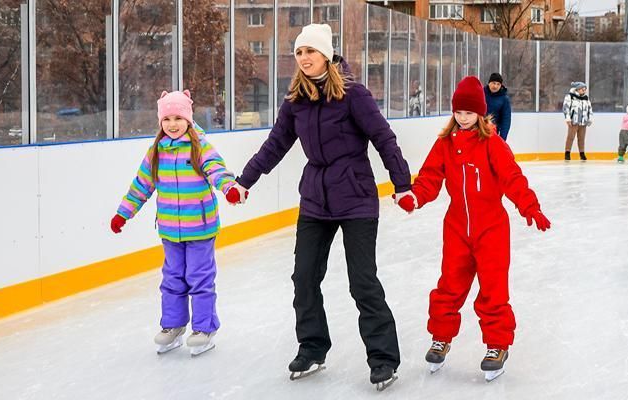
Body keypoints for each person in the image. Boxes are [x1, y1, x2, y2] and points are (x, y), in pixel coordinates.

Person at [224, 23, 410, 391]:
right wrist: (244, 181)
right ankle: (312, 348)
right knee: (304, 277)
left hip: (356, 198)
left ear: (326, 53)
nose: (304, 58)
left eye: (310, 51)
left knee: (363, 282)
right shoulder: (295, 102)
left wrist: (402, 185)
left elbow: (383, 137)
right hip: (315, 199)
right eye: (299, 52)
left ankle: (383, 359)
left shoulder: (354, 95)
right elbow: (275, 145)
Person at [394, 76, 551, 381]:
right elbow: (429, 178)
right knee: (449, 286)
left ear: (480, 113)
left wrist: (529, 205)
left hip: (491, 229)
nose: (462, 118)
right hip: (456, 229)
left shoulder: (493, 142)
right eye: (458, 112)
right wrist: (414, 197)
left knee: (492, 289)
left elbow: (512, 178)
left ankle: (497, 345)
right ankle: (440, 338)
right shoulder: (444, 144)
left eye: (468, 113)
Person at [110, 90, 239, 356]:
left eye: (178, 117)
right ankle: (173, 325)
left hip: (201, 228)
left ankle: (204, 328)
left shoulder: (200, 146)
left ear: (188, 119)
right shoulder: (156, 151)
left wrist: (229, 188)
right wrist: (124, 213)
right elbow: (141, 185)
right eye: (166, 118)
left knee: (199, 278)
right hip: (170, 230)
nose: (172, 124)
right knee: (172, 279)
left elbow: (216, 170)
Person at [563, 81, 593, 161]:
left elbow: (590, 109)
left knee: (581, 138)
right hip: (574, 121)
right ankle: (567, 153)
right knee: (570, 137)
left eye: (585, 89)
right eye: (582, 89)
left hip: (583, 122)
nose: (584, 90)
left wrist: (590, 118)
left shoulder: (586, 98)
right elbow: (566, 108)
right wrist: (568, 118)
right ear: (577, 89)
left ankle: (582, 154)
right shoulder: (570, 96)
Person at [483, 73, 512, 141]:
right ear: (489, 83)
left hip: (493, 132)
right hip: (478, 130)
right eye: (493, 83)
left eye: (498, 84)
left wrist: (502, 138)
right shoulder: (481, 93)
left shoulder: (504, 99)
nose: (495, 86)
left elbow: (506, 119)